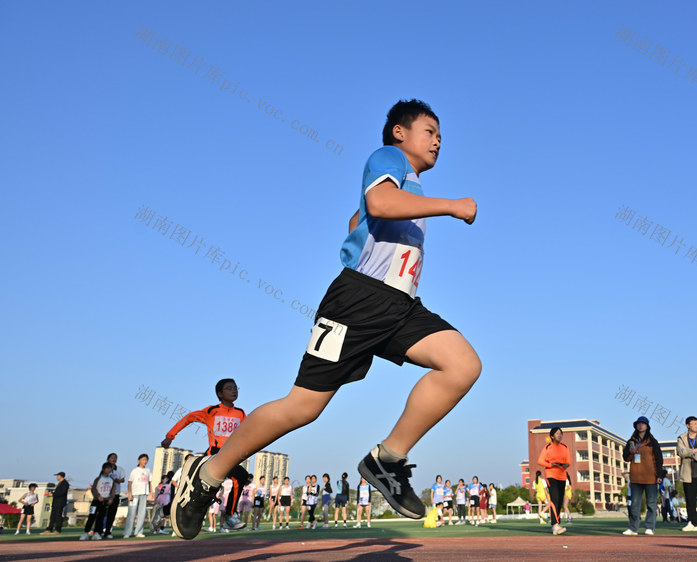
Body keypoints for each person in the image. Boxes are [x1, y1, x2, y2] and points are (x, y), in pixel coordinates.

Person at [169, 100, 481, 541]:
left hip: (400, 306)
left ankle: (387, 459)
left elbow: (360, 216)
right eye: (430, 130)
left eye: (441, 136)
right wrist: (451, 206)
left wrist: (361, 233)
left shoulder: (409, 185)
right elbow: (378, 200)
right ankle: (208, 473)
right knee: (304, 407)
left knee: (463, 364)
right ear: (398, 133)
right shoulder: (387, 159)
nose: (437, 140)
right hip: (357, 303)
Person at [162, 378, 250, 532]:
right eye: (229, 388)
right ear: (220, 393)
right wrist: (170, 436)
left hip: (232, 454)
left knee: (240, 477)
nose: (234, 390)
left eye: (236, 388)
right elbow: (189, 418)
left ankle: (230, 515)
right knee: (197, 492)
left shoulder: (241, 413)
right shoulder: (211, 411)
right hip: (215, 453)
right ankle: (164, 511)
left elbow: (250, 430)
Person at [622, 416, 666, 535]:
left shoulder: (653, 441)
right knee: (635, 505)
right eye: (638, 424)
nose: (640, 426)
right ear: (636, 426)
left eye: (643, 424)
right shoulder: (631, 441)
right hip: (636, 477)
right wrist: (630, 453)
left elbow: (659, 459)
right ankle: (633, 528)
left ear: (647, 426)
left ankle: (650, 527)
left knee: (651, 504)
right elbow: (625, 458)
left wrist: (659, 475)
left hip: (651, 477)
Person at [537, 426, 570, 535]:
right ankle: (555, 524)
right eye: (557, 433)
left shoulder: (565, 447)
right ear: (552, 436)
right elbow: (540, 461)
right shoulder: (547, 447)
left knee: (560, 500)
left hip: (562, 475)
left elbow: (568, 462)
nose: (559, 435)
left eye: (561, 433)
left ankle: (556, 525)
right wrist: (551, 464)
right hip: (551, 475)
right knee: (554, 499)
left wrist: (565, 465)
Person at [81, 463, 115, 540]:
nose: (109, 470)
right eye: (107, 468)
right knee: (92, 516)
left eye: (110, 469)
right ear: (103, 469)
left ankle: (97, 533)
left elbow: (113, 490)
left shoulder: (111, 480)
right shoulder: (98, 479)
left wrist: (111, 499)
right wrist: (98, 496)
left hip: (105, 501)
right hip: (96, 501)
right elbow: (93, 489)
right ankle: (86, 532)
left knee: (101, 518)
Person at [124, 453, 154, 538]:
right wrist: (129, 493)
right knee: (131, 513)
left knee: (142, 513)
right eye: (143, 459)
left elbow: (149, 482)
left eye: (146, 460)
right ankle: (127, 532)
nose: (145, 461)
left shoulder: (148, 470)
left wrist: (151, 492)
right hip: (135, 494)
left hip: (144, 494)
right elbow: (130, 483)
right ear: (139, 460)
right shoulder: (135, 470)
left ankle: (139, 532)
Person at [100, 452, 125, 539]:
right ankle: (99, 531)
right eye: (112, 458)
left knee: (112, 514)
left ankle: (108, 531)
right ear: (108, 459)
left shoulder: (119, 469)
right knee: (102, 513)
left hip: (116, 494)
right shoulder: (105, 469)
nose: (114, 459)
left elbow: (123, 479)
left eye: (115, 458)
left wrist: (118, 480)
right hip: (105, 494)